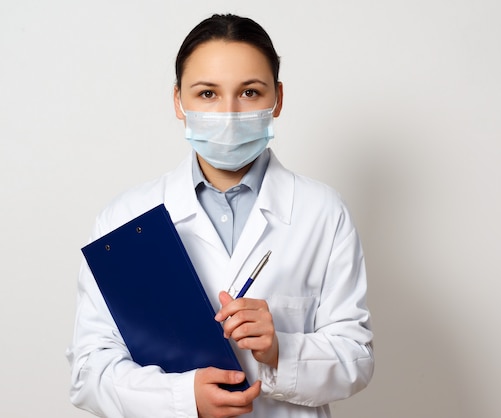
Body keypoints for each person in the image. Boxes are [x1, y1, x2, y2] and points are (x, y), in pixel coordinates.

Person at [66, 13, 374, 418]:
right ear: (178, 100)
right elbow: (89, 370)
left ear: (277, 98)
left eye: (249, 92)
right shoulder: (124, 218)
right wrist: (181, 397)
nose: (228, 114)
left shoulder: (323, 212)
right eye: (207, 94)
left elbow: (357, 357)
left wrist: (282, 349)